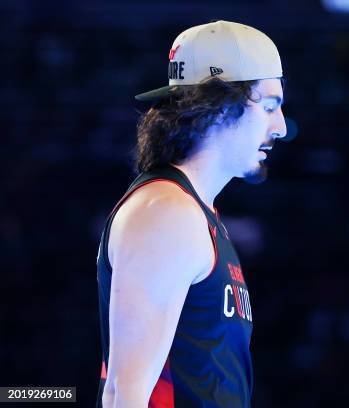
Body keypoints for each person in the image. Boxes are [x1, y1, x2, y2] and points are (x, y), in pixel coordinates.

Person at [96, 20, 287, 407]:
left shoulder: (194, 214)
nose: (280, 127)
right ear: (219, 107)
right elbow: (124, 395)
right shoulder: (167, 213)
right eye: (268, 106)